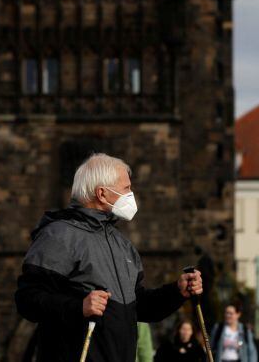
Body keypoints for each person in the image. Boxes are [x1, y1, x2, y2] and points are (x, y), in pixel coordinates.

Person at [15, 153, 203, 362]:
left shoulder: (122, 244)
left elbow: (140, 307)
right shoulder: (58, 235)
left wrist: (177, 291)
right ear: (102, 193)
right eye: (126, 189)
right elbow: (27, 299)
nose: (131, 195)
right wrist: (79, 307)